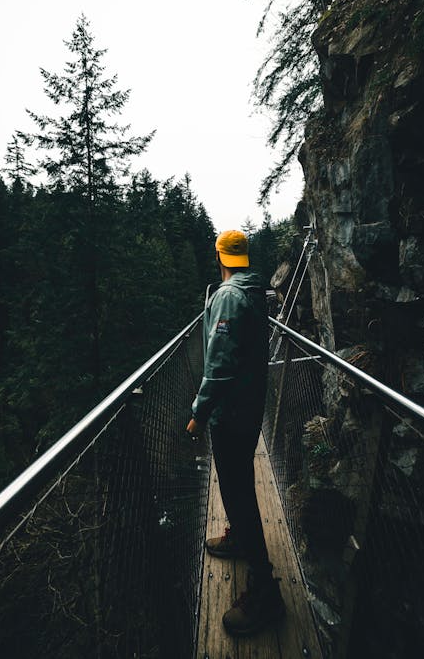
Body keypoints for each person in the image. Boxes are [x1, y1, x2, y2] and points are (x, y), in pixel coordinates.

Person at [186, 229, 285, 637]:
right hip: (249, 408)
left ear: (220, 257)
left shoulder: (228, 296)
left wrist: (198, 412)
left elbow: (220, 367)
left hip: (231, 414)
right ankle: (241, 540)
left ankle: (265, 592)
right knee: (239, 485)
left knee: (238, 491)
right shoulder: (255, 290)